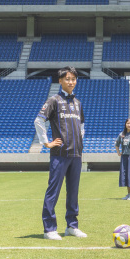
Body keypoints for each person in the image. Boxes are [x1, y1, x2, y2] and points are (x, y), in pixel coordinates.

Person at [35, 66, 87, 240]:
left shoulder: (78, 103)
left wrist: (79, 142)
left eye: (73, 79)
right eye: (67, 79)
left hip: (76, 155)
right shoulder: (54, 100)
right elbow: (39, 120)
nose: (71, 81)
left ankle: (72, 226)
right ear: (60, 81)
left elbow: (81, 127)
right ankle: (49, 229)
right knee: (53, 191)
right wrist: (46, 142)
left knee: (73, 192)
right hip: (59, 154)